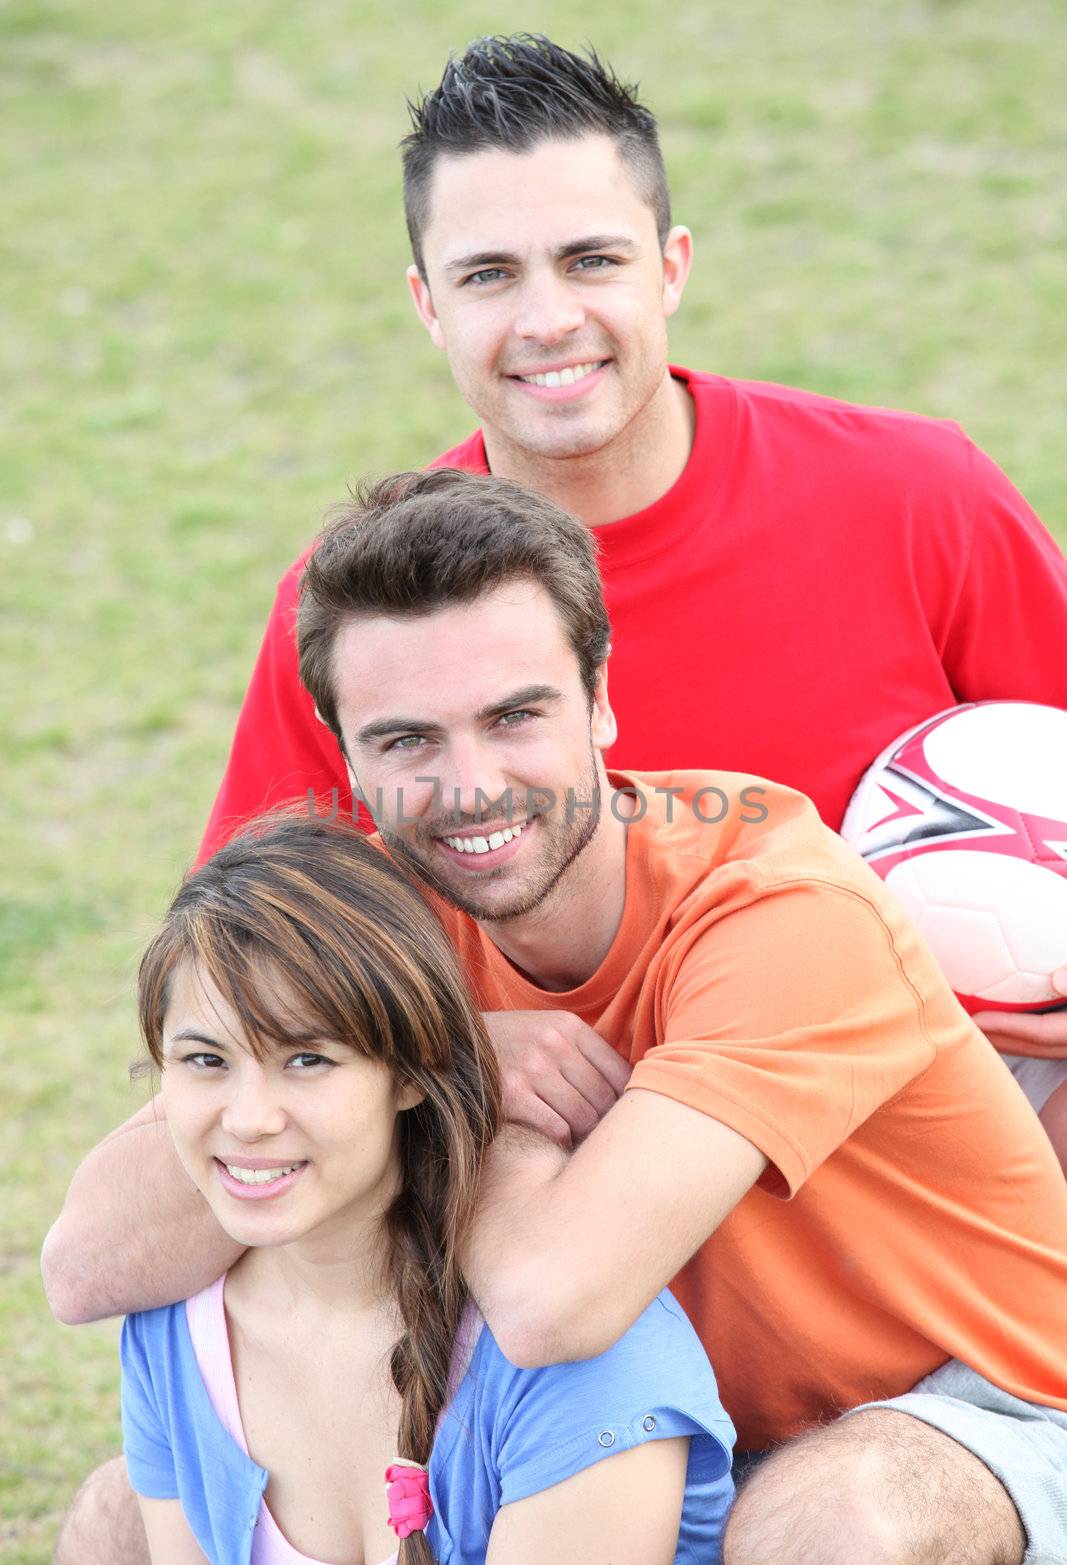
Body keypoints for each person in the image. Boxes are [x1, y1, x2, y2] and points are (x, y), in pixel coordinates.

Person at [47, 471, 1067, 1565]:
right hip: (659, 1423)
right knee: (115, 1530)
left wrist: (433, 1066)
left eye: (514, 716)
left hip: (987, 1394)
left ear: (601, 700)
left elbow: (548, 1301)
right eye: (405, 741)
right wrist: (456, 1043)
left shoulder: (780, 908)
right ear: (345, 755)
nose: (469, 785)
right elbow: (85, 1263)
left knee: (818, 1539)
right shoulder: (376, 917)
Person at [195, 33, 1067, 1121]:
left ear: (670, 266)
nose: (547, 319)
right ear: (427, 304)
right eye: (487, 275)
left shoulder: (916, 494)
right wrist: (454, 1049)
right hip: (601, 1184)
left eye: (590, 260)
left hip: (931, 1138)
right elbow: (241, 969)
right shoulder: (363, 608)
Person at [117, 812, 735, 1565]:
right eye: (205, 1060)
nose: (248, 1118)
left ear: (412, 1074)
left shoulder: (578, 1366)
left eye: (308, 1059)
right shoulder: (174, 1327)